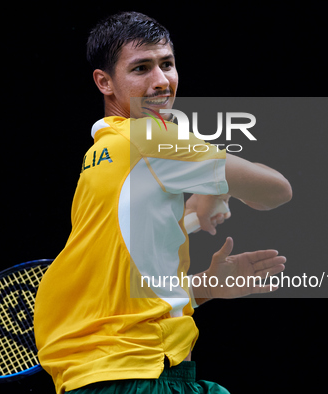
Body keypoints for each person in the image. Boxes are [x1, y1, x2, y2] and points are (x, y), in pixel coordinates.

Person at [33, 11, 292, 394]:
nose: (161, 82)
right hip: (138, 374)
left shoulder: (103, 154)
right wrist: (218, 189)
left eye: (166, 64)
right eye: (141, 68)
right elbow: (275, 190)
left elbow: (123, 292)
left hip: (102, 376)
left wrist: (205, 285)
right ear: (104, 82)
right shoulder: (151, 137)